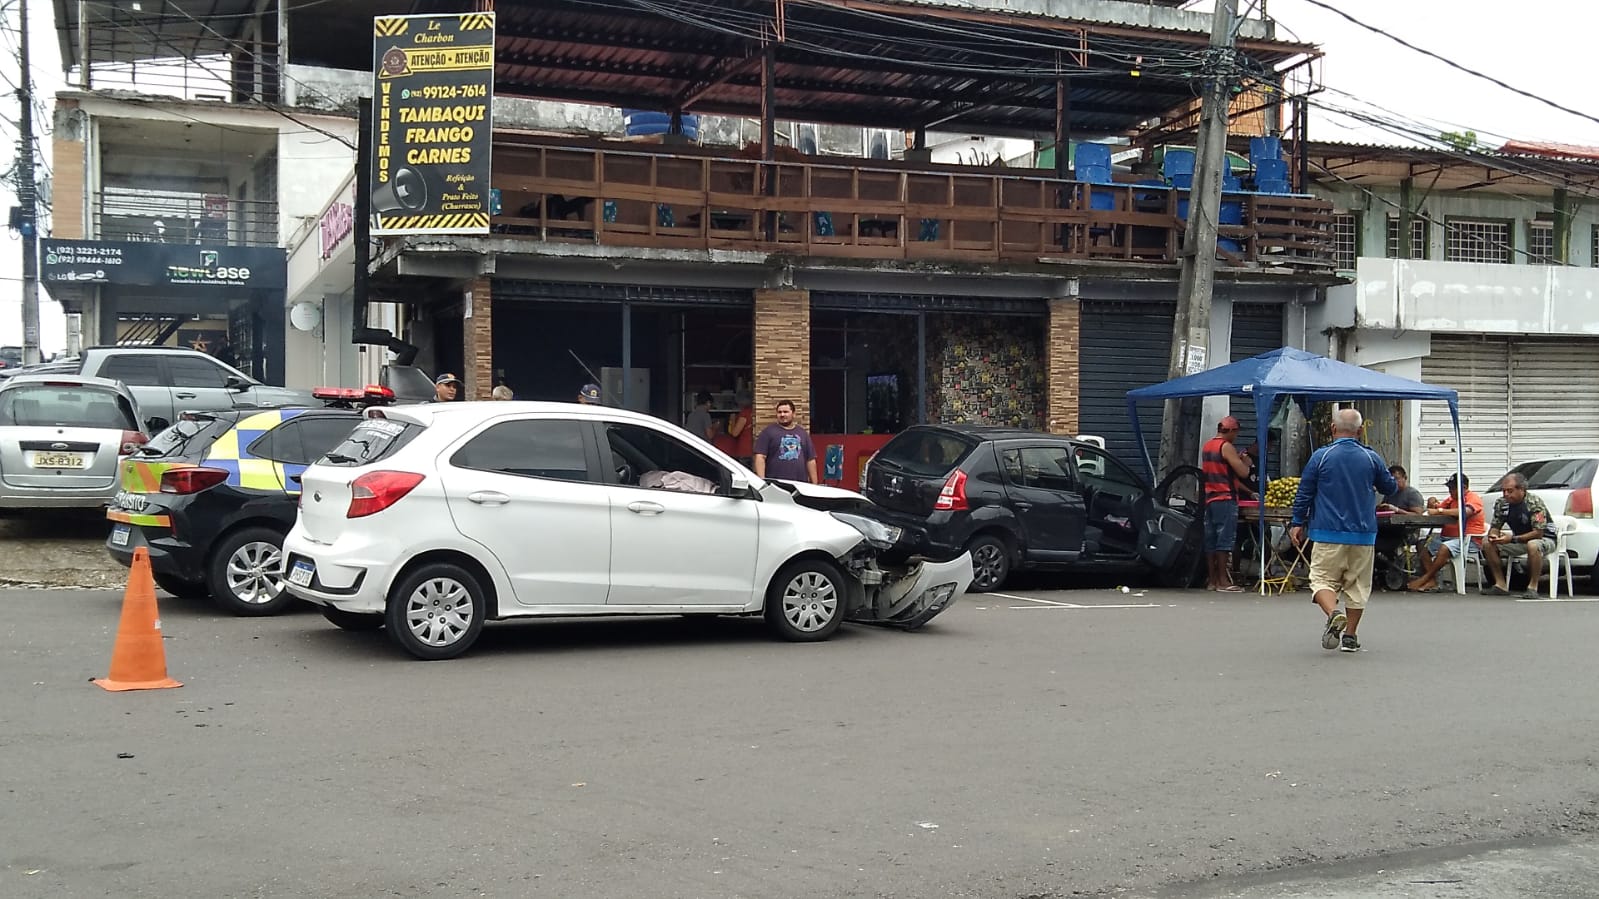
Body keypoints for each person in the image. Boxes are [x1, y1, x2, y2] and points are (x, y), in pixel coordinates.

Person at [1289, 408, 1397, 653]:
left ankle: (1333, 613)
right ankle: (1350, 635)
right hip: (1363, 535)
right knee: (1357, 587)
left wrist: (1297, 522)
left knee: (1321, 580)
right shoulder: (1371, 458)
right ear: (1360, 431)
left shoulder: (1322, 456)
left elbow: (1304, 492)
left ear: (1332, 428)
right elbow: (1389, 487)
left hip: (1327, 533)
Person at [1480, 471, 1558, 598]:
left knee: (1533, 545)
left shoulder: (1534, 503)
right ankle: (1500, 584)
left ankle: (1532, 587)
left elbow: (1538, 533)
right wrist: (1494, 536)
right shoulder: (1502, 503)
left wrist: (1512, 538)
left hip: (1544, 538)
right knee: (1487, 543)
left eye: (1509, 491)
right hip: (1519, 539)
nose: (1506, 494)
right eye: (1503, 491)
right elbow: (1495, 525)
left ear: (1521, 489)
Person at [1405, 473, 1486, 593]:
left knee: (1445, 548)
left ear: (1463, 488)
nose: (1450, 491)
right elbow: (1437, 508)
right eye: (1449, 488)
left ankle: (1426, 578)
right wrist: (1433, 503)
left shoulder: (1472, 498)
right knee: (1422, 544)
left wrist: (1440, 510)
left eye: (1452, 488)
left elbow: (1465, 512)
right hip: (1448, 538)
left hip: (1468, 540)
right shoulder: (1451, 499)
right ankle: (1432, 580)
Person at [1200, 415, 1254, 592]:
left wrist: (1249, 492)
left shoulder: (1208, 446)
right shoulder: (1226, 446)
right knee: (1224, 540)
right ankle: (1223, 581)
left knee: (1211, 540)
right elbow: (1243, 472)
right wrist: (1245, 462)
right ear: (1229, 431)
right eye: (1236, 432)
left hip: (1210, 498)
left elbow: (1224, 473)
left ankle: (1212, 580)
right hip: (1225, 499)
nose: (1236, 436)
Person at [752, 399, 818, 484]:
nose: (782, 414)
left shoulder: (802, 433)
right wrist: (762, 481)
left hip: (800, 485)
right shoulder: (768, 432)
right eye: (779, 412)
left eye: (785, 412)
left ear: (793, 414)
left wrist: (815, 484)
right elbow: (760, 457)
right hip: (776, 485)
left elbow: (810, 460)